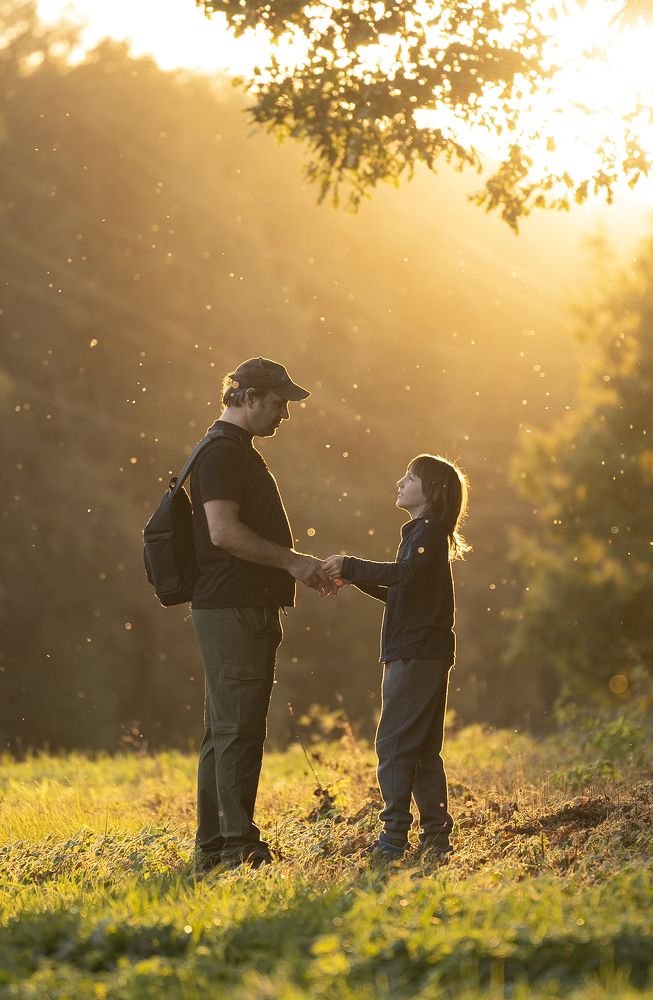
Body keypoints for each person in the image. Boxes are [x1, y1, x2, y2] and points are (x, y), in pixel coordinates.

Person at [190, 357, 333, 874]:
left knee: (224, 730)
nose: (284, 414)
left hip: (231, 607)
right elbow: (223, 531)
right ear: (247, 397)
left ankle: (214, 847)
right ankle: (237, 847)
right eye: (277, 404)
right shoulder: (224, 454)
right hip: (236, 609)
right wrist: (292, 561)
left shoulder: (227, 449)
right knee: (239, 730)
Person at [323, 454, 470, 861]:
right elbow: (401, 588)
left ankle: (393, 839)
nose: (400, 483)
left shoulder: (428, 532)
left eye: (409, 477)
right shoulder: (426, 534)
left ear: (431, 490)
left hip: (415, 653)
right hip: (424, 652)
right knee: (421, 749)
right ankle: (436, 838)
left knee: (393, 746)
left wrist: (351, 564)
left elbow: (403, 575)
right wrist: (353, 577)